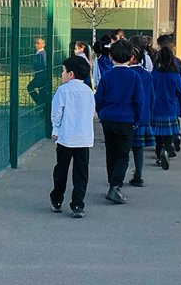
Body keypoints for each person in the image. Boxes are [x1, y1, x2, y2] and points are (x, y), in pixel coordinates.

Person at [93, 39, 145, 205]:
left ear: (110, 56)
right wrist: (137, 118)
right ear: (131, 57)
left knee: (111, 152)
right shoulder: (135, 77)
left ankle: (112, 183)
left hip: (108, 119)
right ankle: (115, 186)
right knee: (123, 154)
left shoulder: (107, 76)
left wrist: (101, 114)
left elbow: (98, 99)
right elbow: (139, 101)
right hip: (126, 120)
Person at [49, 54, 94, 218]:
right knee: (81, 172)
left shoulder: (63, 90)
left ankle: (57, 199)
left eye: (63, 71)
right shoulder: (88, 91)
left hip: (66, 137)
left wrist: (56, 129)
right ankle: (78, 204)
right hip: (84, 138)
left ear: (71, 74)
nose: (62, 74)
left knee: (61, 169)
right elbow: (91, 112)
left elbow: (57, 113)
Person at [151, 46, 181, 169]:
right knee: (169, 134)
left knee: (157, 135)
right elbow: (180, 94)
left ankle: (158, 153)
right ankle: (165, 150)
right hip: (170, 109)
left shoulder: (153, 75)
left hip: (156, 109)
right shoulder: (175, 76)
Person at [127, 39, 155, 187]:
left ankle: (118, 176)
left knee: (124, 149)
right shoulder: (146, 74)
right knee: (139, 149)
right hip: (143, 117)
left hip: (128, 117)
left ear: (131, 58)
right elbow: (152, 96)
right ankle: (138, 174)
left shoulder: (128, 74)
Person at [26, 37, 48, 107]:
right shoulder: (39, 53)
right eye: (35, 43)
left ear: (43, 44)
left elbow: (44, 66)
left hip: (41, 77)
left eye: (38, 43)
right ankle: (42, 106)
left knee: (30, 87)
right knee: (42, 93)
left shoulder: (42, 54)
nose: (36, 45)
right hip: (39, 76)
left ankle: (40, 103)